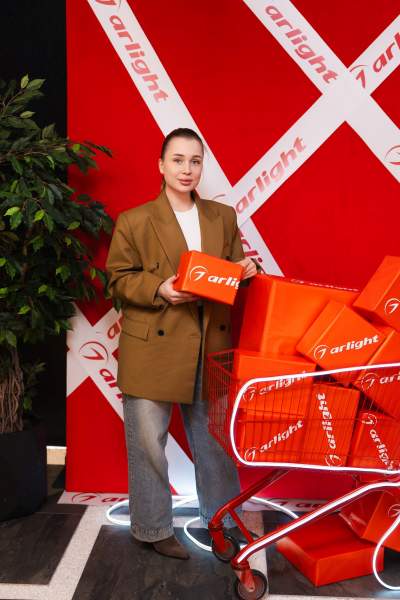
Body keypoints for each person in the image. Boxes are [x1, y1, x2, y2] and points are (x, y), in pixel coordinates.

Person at [106, 128, 257, 560]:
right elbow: (117, 280)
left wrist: (245, 271)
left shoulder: (222, 216)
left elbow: (227, 278)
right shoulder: (134, 220)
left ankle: (222, 521)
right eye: (177, 160)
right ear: (161, 165)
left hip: (209, 343)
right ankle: (152, 528)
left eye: (195, 161)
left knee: (215, 443)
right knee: (148, 446)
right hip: (152, 346)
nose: (186, 169)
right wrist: (160, 288)